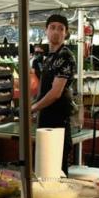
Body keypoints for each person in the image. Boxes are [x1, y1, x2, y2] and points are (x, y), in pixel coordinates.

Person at [31, 14, 76, 175]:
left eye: (61, 28)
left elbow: (56, 93)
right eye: (52, 27)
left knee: (56, 171)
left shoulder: (65, 56)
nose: (56, 31)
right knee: (42, 170)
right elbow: (43, 88)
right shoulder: (48, 57)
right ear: (46, 31)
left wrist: (33, 108)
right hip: (45, 119)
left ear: (66, 33)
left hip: (58, 123)